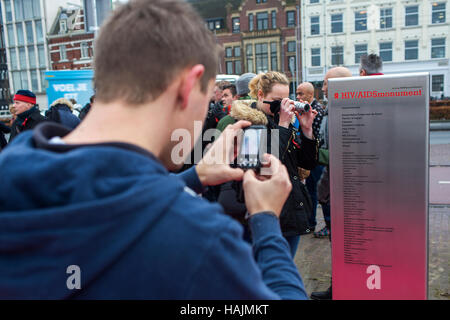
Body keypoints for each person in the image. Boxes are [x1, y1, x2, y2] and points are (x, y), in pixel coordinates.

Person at [0, 0, 308, 299]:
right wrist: (266, 220)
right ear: (188, 86)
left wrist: (195, 176)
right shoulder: (199, 238)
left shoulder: (13, 166)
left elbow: (111, 202)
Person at [215, 71, 318, 257]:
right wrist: (284, 126)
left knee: (284, 267)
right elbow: (265, 164)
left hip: (290, 212)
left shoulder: (282, 121)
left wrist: (307, 130)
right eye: (277, 101)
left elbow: (307, 163)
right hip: (264, 213)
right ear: (261, 95)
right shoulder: (246, 123)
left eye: (287, 101)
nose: (282, 107)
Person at [310, 66, 352, 300]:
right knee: (337, 241)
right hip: (332, 188)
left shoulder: (345, 109)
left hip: (345, 190)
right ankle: (340, 286)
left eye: (326, 83)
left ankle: (341, 288)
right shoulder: (332, 109)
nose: (323, 88)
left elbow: (340, 152)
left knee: (344, 242)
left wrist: (310, 153)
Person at [296, 82, 326, 234]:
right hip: (313, 157)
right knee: (311, 191)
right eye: (297, 93)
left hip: (316, 158)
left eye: (301, 94)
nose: (298, 97)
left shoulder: (316, 111)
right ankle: (310, 221)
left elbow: (316, 138)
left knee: (313, 192)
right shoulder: (309, 108)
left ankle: (311, 222)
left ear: (310, 94)